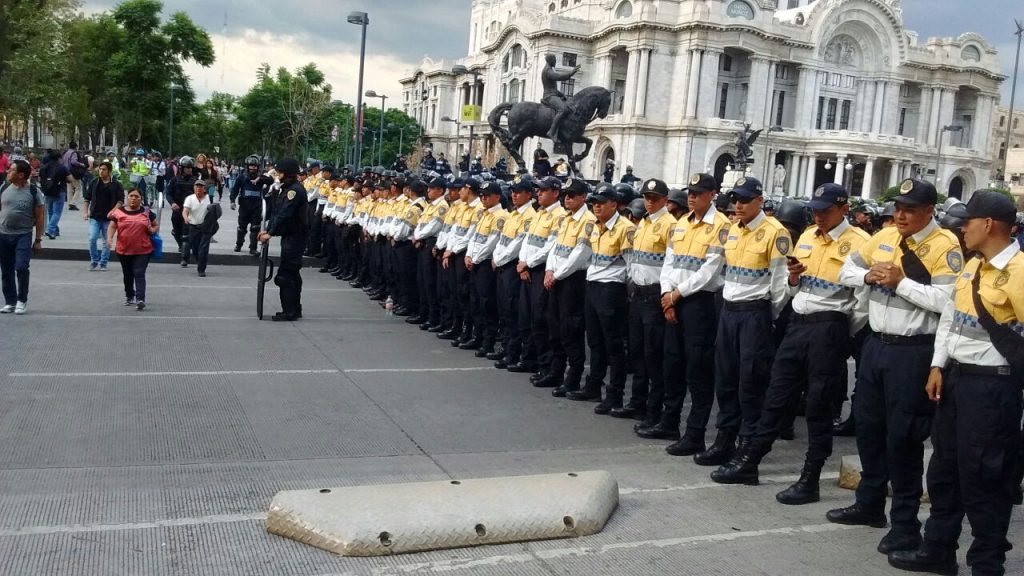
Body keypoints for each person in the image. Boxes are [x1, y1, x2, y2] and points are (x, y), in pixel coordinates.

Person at [888, 190, 1024, 576]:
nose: (962, 227)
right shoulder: (973, 265)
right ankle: (938, 549)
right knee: (945, 470)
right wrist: (938, 365)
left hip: (993, 388)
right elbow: (950, 317)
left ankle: (986, 562)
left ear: (988, 224)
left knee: (985, 477)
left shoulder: (1019, 272)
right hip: (956, 380)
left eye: (968, 221)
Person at [710, 184, 870, 505]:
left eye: (826, 210)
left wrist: (840, 331)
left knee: (818, 405)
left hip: (829, 327)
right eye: (816, 210)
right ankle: (750, 461)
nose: (819, 216)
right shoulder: (808, 235)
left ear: (843, 208)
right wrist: (795, 280)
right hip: (799, 323)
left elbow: (863, 302)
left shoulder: (860, 243)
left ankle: (810, 478)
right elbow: (791, 285)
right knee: (776, 394)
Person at [829, 178, 962, 557]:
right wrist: (868, 275)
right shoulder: (883, 236)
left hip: (913, 352)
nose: (900, 215)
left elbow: (947, 302)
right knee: (869, 430)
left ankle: (904, 524)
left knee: (902, 439)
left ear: (928, 211)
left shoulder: (944, 246)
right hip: (877, 345)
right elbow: (845, 271)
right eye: (898, 208)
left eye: (909, 209)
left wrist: (901, 283)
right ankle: (869, 504)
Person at [694, 176, 791, 467]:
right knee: (725, 378)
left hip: (754, 313)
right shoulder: (732, 230)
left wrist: (765, 317)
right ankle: (725, 438)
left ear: (760, 201)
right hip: (730, 309)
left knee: (751, 381)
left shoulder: (775, 232)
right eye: (735, 199)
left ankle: (748, 442)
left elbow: (780, 284)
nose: (738, 205)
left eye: (745, 200)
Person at [640, 174, 730, 454]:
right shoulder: (681, 224)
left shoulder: (721, 227)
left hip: (699, 302)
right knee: (672, 364)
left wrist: (676, 295)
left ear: (712, 194)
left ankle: (695, 433)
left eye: (699, 192)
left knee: (698, 370)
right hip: (673, 298)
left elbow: (710, 271)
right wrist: (667, 294)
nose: (692, 197)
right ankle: (669, 421)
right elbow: (669, 262)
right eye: (690, 192)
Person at [614, 178, 675, 421]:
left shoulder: (670, 225)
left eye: (655, 198)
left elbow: (671, 263)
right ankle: (637, 401)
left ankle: (654, 408)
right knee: (637, 352)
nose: (649, 202)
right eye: (647, 198)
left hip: (654, 293)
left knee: (653, 355)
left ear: (665, 200)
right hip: (637, 292)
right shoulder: (644, 223)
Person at [575, 183, 635, 412]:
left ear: (614, 204)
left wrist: (627, 294)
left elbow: (631, 266)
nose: (596, 207)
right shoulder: (593, 225)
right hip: (593, 285)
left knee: (614, 345)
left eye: (601, 202)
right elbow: (585, 255)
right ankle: (593, 386)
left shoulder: (625, 228)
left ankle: (615, 394)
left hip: (612, 289)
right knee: (595, 341)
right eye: (594, 203)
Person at [547, 178, 597, 396]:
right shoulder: (566, 219)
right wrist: (550, 270)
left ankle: (573, 378)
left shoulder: (588, 221)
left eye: (572, 194)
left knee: (571, 329)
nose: (566, 198)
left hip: (573, 280)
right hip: (556, 278)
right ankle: (556, 372)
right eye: (565, 194)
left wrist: (556, 275)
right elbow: (555, 248)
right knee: (555, 326)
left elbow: (579, 256)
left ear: (583, 197)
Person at [514, 176, 567, 380]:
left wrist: (528, 263)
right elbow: (528, 242)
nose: (539, 193)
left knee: (541, 319)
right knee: (526, 317)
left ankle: (546, 365)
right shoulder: (539, 213)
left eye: (543, 191)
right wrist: (523, 263)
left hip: (542, 270)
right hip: (528, 268)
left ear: (555, 193)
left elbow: (550, 246)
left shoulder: (559, 216)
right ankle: (530, 359)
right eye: (538, 190)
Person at [491, 177, 537, 368]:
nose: (514, 195)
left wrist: (500, 259)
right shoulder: (513, 214)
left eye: (519, 192)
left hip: (513, 266)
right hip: (503, 265)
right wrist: (496, 257)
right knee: (504, 310)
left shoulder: (529, 216)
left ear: (529, 194)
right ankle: (507, 349)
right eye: (513, 191)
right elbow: (503, 240)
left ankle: (515, 352)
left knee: (513, 310)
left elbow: (518, 245)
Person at [258, 158, 307, 321]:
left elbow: (285, 214)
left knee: (285, 276)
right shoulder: (286, 189)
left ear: (288, 174)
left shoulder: (294, 191)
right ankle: (295, 309)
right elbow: (277, 213)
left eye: (280, 172)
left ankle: (290, 312)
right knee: (293, 275)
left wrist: (270, 233)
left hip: (295, 238)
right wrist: (267, 229)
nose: (277, 175)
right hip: (290, 237)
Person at [464, 181, 508, 355]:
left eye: (487, 195)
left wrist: (474, 258)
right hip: (475, 261)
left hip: (485, 264)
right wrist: (469, 254)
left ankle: (488, 341)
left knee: (486, 303)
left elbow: (492, 242)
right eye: (481, 195)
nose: (483, 198)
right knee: (475, 302)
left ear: (497, 197)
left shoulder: (500, 216)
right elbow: (475, 237)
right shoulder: (484, 214)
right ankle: (478, 336)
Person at [0, 160, 45, 315]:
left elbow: (40, 217)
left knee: (21, 267)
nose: (7, 172)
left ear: (21, 175)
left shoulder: (33, 191)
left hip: (23, 235)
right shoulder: (4, 188)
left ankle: (21, 300)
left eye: (11, 170)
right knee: (6, 270)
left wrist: (38, 240)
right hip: (3, 235)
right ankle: (10, 302)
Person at [108, 189, 158, 310]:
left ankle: (140, 299)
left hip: (143, 249)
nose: (133, 198)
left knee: (139, 273)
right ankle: (130, 295)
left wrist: (152, 230)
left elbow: (155, 225)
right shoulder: (119, 212)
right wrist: (109, 239)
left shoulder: (146, 212)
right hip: (123, 249)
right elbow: (113, 226)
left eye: (136, 196)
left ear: (141, 199)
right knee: (128, 274)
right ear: (127, 197)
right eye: (131, 196)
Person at [82, 161, 125, 271]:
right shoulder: (94, 182)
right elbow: (87, 199)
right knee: (92, 238)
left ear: (109, 171)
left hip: (109, 219)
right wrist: (85, 212)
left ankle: (103, 262)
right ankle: (94, 260)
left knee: (107, 241)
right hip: (95, 216)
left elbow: (120, 201)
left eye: (104, 169)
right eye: (100, 169)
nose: (101, 171)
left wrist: (113, 211)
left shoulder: (116, 184)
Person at [230, 155, 272, 254]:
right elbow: (235, 189)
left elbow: (271, 180)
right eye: (251, 165)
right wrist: (232, 201)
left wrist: (259, 178)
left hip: (256, 207)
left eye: (255, 166)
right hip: (244, 206)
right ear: (247, 166)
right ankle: (239, 244)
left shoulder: (260, 178)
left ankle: (253, 248)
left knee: (255, 228)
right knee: (241, 227)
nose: (253, 168)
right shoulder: (242, 177)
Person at [164, 156, 198, 259]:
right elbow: (168, 193)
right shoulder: (175, 180)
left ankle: (185, 256)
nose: (189, 169)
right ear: (181, 168)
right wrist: (172, 203)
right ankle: (181, 245)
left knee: (186, 232)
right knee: (176, 230)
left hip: (189, 211)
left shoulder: (195, 181)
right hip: (177, 209)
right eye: (186, 167)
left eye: (190, 168)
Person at [540, 53, 581, 140]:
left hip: (553, 95)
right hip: (549, 96)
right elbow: (558, 77)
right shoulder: (548, 70)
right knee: (563, 109)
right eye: (554, 60)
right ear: (551, 60)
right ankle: (551, 131)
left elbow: (553, 88)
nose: (555, 62)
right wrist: (571, 73)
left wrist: (563, 95)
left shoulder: (550, 69)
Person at [182, 181, 213, 276]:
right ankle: (199, 261)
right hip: (193, 227)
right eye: (197, 186)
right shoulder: (190, 199)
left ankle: (201, 269)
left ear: (204, 189)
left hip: (205, 227)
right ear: (194, 188)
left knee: (203, 249)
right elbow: (185, 211)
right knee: (195, 249)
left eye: (201, 187)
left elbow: (214, 211)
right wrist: (186, 218)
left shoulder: (208, 198)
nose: (198, 189)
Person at [38, 151, 70, 239]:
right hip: (60, 191)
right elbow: (70, 179)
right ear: (59, 158)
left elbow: (40, 178)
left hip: (47, 191)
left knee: (51, 212)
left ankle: (54, 231)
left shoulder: (44, 167)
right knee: (57, 212)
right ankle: (50, 229)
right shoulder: (62, 167)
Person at [62, 141, 87, 211]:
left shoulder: (66, 153)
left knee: (69, 189)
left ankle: (70, 203)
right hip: (73, 173)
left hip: (66, 172)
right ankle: (73, 203)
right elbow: (73, 161)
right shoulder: (74, 153)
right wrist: (81, 164)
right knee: (78, 188)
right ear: (75, 147)